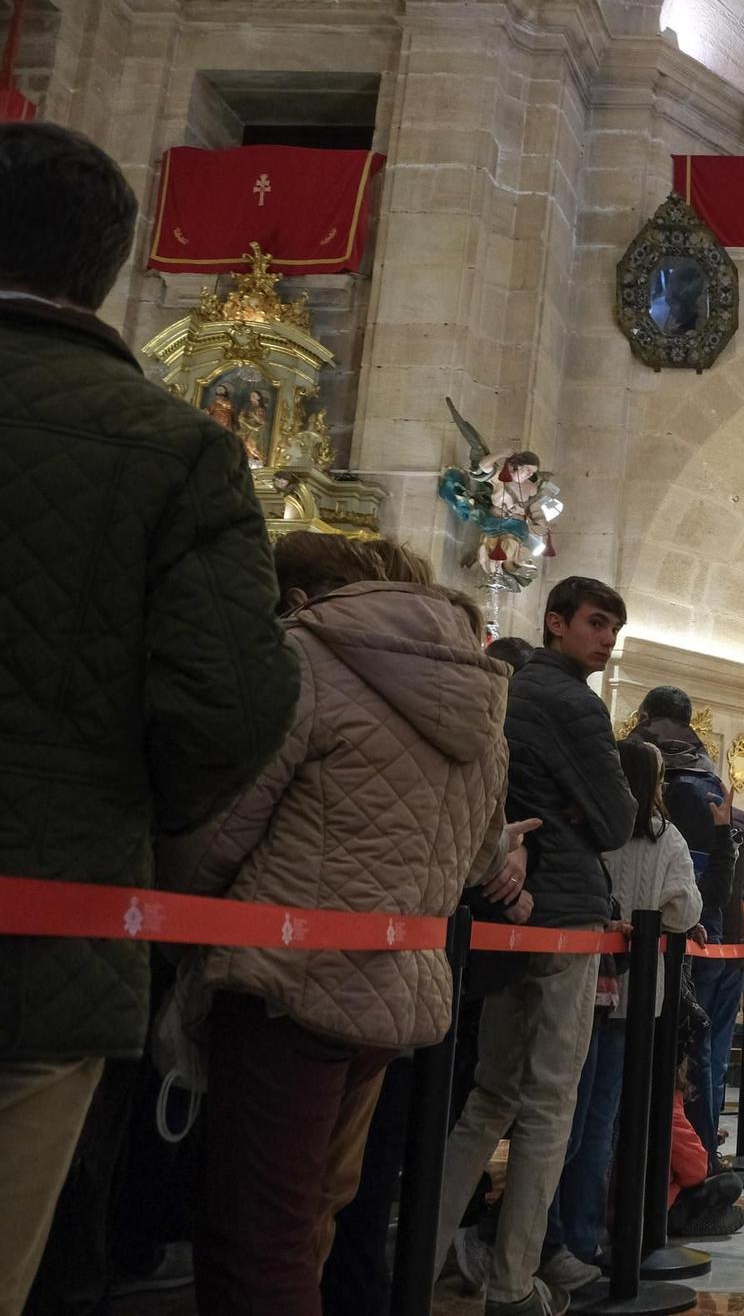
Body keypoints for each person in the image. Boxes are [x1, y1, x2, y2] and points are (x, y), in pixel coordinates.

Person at [0, 122, 298, 1315]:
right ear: (114, 266)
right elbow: (229, 701)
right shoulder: (178, 449)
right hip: (50, 923)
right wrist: (123, 816)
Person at [151, 536, 508, 1316]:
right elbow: (481, 854)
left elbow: (219, 830)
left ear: (298, 595)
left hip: (288, 982)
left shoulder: (305, 659)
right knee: (315, 1213)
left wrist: (171, 914)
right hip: (389, 992)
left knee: (257, 1233)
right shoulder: (480, 692)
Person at [436, 575, 637, 1316]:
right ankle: (513, 1282)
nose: (606, 638)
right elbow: (617, 820)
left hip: (504, 902)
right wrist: (584, 817)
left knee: (489, 1098)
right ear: (555, 622)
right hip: (566, 913)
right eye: (594, 622)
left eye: (614, 626)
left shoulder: (507, 690)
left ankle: (420, 1260)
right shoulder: (574, 701)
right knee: (550, 1100)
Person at [545, 738, 700, 1279]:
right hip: (634, 1001)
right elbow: (683, 910)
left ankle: (550, 1234)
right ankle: (585, 1237)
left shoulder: (591, 828)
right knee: (601, 1122)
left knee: (563, 1114)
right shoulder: (667, 840)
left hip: (578, 988)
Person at [632, 686, 743, 1167]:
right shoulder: (712, 787)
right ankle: (697, 1159)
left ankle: (642, 1161)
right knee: (698, 1049)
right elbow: (726, 886)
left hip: (632, 933)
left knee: (638, 1053)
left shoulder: (630, 773)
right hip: (702, 931)